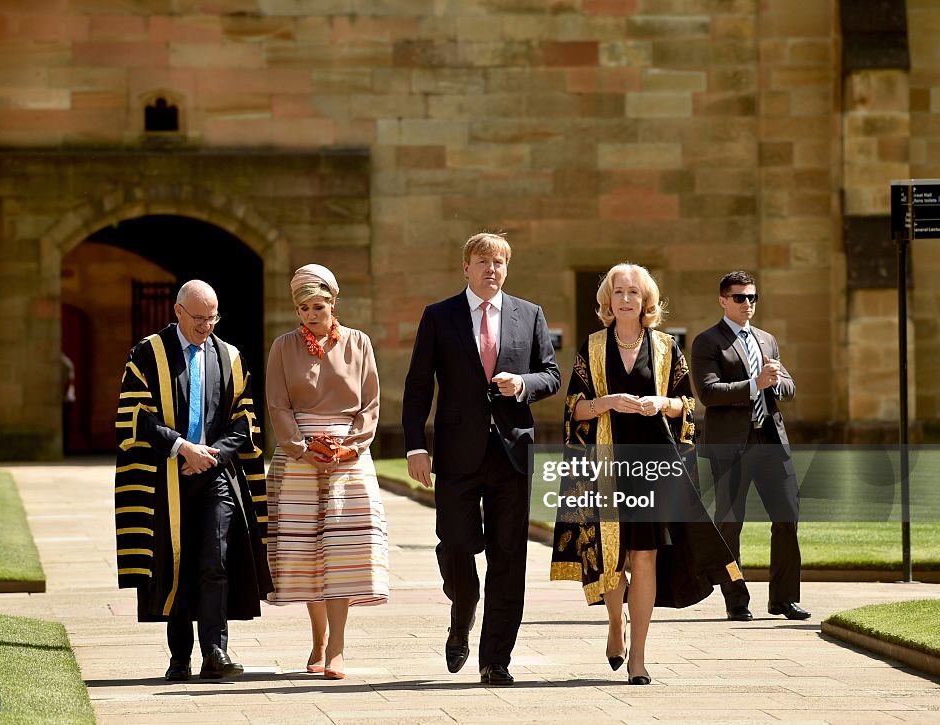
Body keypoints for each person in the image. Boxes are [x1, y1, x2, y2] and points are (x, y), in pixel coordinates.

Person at [549, 263, 742, 685]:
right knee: (613, 557)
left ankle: (638, 655)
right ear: (608, 300)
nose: (625, 299)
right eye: (618, 292)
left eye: (633, 292)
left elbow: (688, 406)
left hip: (654, 468)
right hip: (607, 468)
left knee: (645, 555)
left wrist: (661, 402)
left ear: (646, 300)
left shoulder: (667, 347)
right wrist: (608, 402)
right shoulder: (593, 347)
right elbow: (574, 410)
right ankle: (615, 625)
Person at [403, 232, 561, 686]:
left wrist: (524, 384)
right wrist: (417, 447)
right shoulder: (439, 316)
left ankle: (496, 660)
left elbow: (551, 375)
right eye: (483, 261)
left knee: (508, 558)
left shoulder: (529, 314)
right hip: (456, 453)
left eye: (499, 262)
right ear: (466, 267)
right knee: (455, 544)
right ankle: (463, 608)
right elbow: (418, 388)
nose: (491, 269)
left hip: (512, 452)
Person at [114, 279, 273, 682]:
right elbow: (137, 417)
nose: (207, 326)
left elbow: (245, 419)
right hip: (166, 475)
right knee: (176, 563)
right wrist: (183, 448)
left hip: (216, 472)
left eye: (213, 317)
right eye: (199, 318)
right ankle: (179, 657)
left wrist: (211, 453)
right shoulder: (147, 354)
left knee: (215, 559)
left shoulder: (231, 356)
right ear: (178, 311)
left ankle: (215, 651)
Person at [265, 264, 389, 681]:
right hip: (298, 457)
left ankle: (337, 647)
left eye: (318, 306)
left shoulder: (360, 343)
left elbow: (370, 403)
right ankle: (318, 639)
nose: (311, 315)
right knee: (305, 554)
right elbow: (278, 405)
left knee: (344, 553)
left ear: (334, 303)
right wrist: (300, 447)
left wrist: (350, 446)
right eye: (303, 308)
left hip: (348, 459)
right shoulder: (282, 347)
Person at [691, 270, 809, 622]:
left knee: (787, 517)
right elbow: (708, 393)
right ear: (723, 300)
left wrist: (774, 383)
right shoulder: (708, 342)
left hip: (771, 441)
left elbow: (788, 388)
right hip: (732, 445)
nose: (748, 304)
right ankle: (736, 600)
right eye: (740, 298)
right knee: (730, 523)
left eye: (752, 297)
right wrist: (754, 383)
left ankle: (785, 599)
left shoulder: (767, 340)